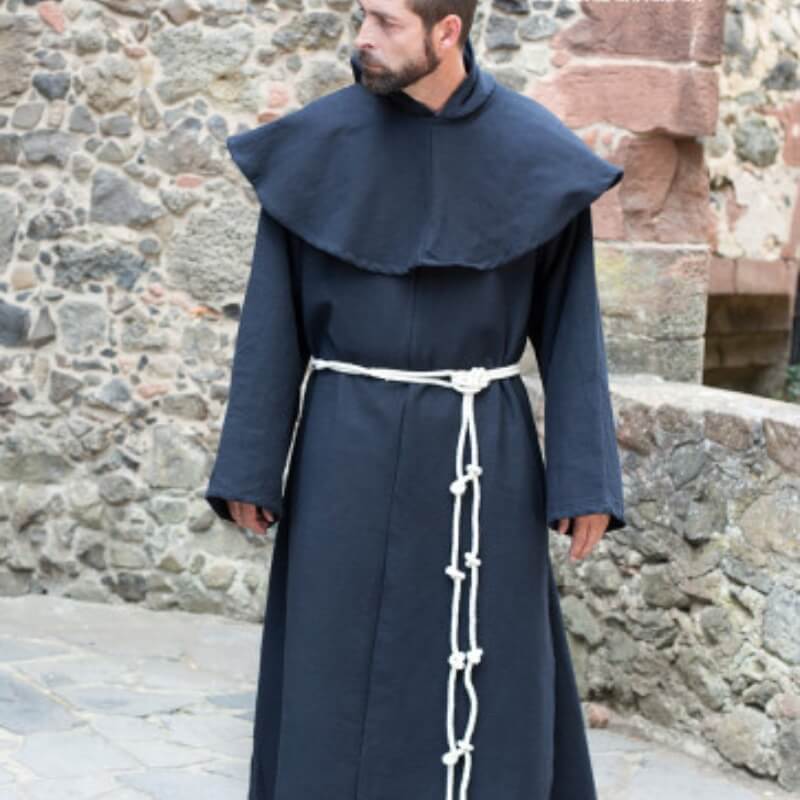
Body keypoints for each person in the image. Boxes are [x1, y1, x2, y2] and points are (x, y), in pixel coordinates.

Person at [204, 1, 626, 798]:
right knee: (333, 664)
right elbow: (271, 322)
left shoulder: (535, 154)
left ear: (447, 32)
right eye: (362, 15)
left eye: (387, 22)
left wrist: (586, 481)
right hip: (344, 451)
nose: (362, 38)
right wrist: (250, 465)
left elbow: (573, 330)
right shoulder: (314, 148)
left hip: (483, 451)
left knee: (487, 665)